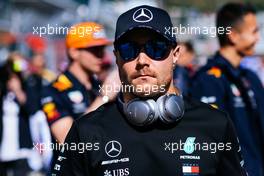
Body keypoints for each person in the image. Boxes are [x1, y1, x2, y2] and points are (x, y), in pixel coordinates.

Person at [51, 5, 246, 176]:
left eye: (157, 48)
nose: (142, 61)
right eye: (129, 49)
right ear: (116, 58)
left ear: (176, 54)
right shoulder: (87, 131)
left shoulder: (215, 124)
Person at [191, 3, 264, 176]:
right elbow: (209, 141)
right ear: (233, 36)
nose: (258, 38)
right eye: (254, 31)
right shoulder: (209, 80)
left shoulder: (250, 77)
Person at [41, 22, 118, 144]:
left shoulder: (98, 85)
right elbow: (65, 138)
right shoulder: (53, 90)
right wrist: (104, 97)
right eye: (94, 49)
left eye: (102, 49)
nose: (101, 56)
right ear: (74, 52)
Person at [0, 54, 34, 175]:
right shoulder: (3, 88)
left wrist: (18, 90)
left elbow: (31, 109)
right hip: (4, 140)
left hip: (20, 141)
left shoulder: (26, 85)